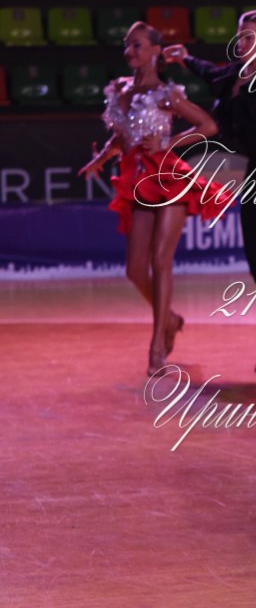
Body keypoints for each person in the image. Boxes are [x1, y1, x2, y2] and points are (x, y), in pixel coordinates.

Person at [79, 21, 226, 376]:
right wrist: (101, 159)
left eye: (138, 45)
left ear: (156, 51)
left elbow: (208, 126)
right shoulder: (120, 89)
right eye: (127, 45)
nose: (130, 51)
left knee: (161, 261)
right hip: (137, 180)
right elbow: (122, 136)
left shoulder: (166, 93)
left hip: (166, 178)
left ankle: (157, 345)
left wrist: (167, 143)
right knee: (134, 269)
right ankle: (171, 319)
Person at [164, 11, 256, 373]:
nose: (240, 43)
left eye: (249, 37)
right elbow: (208, 72)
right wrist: (185, 58)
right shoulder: (231, 76)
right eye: (239, 36)